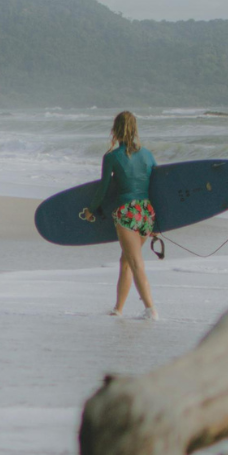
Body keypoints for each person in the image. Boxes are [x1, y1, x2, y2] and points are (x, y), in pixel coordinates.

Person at [80, 110, 157, 318]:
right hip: (146, 212)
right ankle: (118, 309)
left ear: (115, 130)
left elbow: (103, 189)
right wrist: (158, 224)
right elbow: (158, 189)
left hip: (126, 211)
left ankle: (150, 309)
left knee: (135, 261)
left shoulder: (112, 157)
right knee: (126, 260)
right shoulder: (148, 155)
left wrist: (90, 211)